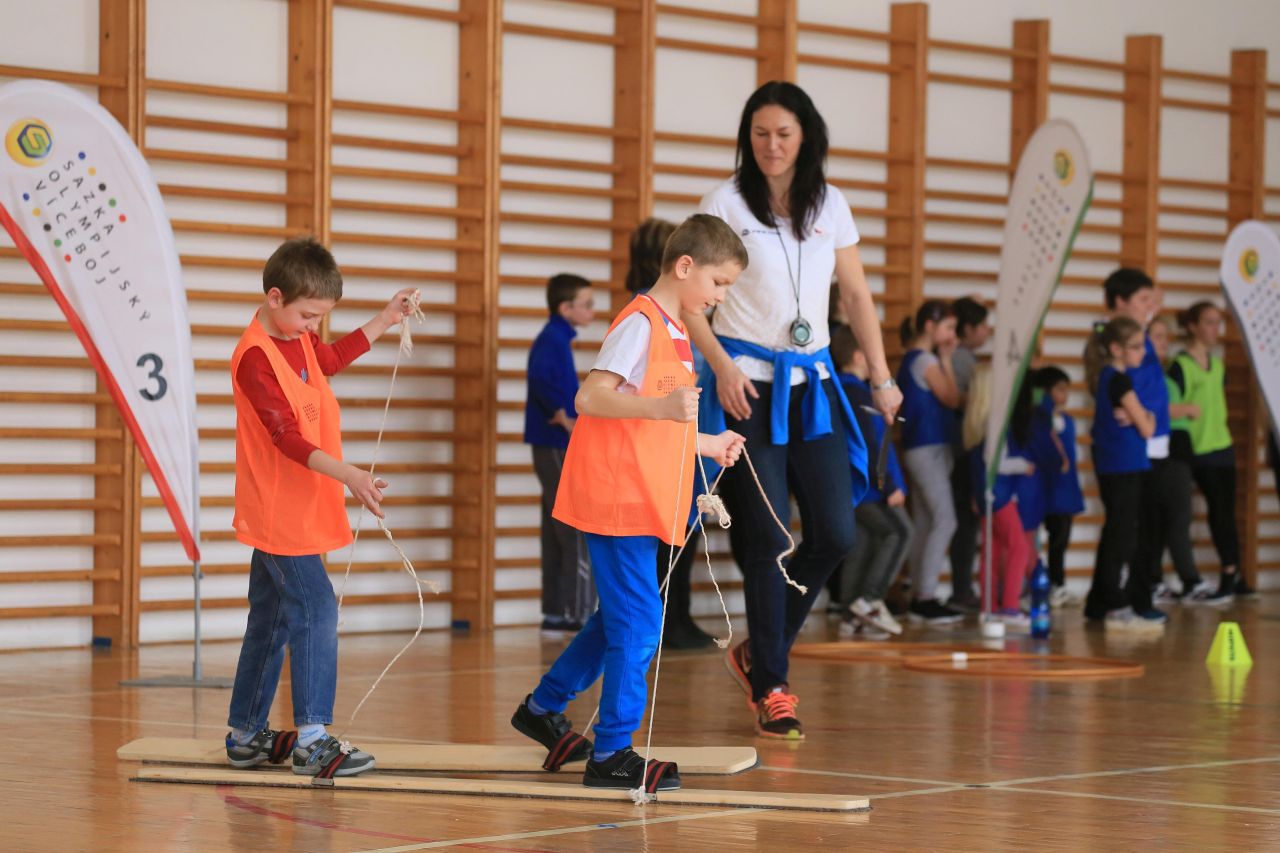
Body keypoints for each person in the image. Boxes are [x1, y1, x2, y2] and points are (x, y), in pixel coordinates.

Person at [690, 81, 899, 740]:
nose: (771, 145)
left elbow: (857, 296)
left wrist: (883, 377)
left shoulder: (831, 203)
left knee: (836, 532)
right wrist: (721, 366)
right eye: (760, 134)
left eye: (783, 133)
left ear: (806, 136)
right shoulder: (725, 202)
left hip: (815, 386)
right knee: (767, 538)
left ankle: (760, 648)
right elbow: (689, 302)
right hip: (745, 388)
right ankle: (772, 686)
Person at [510, 214, 747, 791]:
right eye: (718, 283)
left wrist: (707, 443)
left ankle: (542, 709)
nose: (721, 296)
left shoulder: (674, 330)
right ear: (685, 266)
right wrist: (662, 410)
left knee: (616, 618)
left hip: (643, 499)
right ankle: (611, 753)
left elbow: (655, 424)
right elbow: (590, 397)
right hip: (616, 498)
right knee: (640, 624)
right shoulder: (640, 323)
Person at [225, 237, 417, 777]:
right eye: (308, 316)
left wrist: (386, 317)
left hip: (302, 506)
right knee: (316, 610)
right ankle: (311, 740)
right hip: (278, 511)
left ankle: (245, 735)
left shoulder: (299, 337)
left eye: (320, 318)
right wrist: (350, 474)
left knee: (270, 621)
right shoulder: (255, 358)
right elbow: (285, 436)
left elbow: (329, 359)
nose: (313, 328)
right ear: (275, 297)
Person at [625, 217, 718, 649]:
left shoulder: (672, 311)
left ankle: (675, 616)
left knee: (683, 525)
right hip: (663, 436)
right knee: (671, 530)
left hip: (682, 429)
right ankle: (668, 619)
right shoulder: (649, 313)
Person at [1087, 268, 1172, 626]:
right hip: (1129, 451)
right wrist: (1140, 413)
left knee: (1132, 528)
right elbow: (1116, 393)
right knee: (1130, 531)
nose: (1150, 306)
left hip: (1146, 445)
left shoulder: (1140, 338)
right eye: (1142, 299)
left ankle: (1104, 600)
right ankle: (1127, 599)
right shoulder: (1111, 352)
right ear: (1120, 302)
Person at [525, 273, 598, 634]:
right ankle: (575, 613)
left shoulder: (556, 337)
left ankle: (555, 613)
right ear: (565, 308)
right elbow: (539, 377)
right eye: (587, 304)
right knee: (575, 528)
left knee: (556, 529)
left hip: (551, 444)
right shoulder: (553, 339)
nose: (592, 311)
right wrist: (559, 413)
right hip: (555, 443)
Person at [828, 324, 910, 640]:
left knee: (861, 542)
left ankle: (852, 614)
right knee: (900, 531)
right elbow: (869, 445)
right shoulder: (857, 393)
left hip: (852, 487)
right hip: (867, 488)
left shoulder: (844, 390)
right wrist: (887, 485)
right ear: (859, 356)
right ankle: (871, 600)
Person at [897, 300, 965, 625]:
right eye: (948, 327)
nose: (952, 335)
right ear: (930, 326)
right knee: (945, 519)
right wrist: (948, 360)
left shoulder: (913, 358)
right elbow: (952, 398)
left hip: (920, 447)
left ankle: (918, 593)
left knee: (925, 521)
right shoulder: (925, 359)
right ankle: (925, 596)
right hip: (927, 448)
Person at [1171, 302, 1242, 603]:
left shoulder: (1218, 365)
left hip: (1223, 445)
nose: (1216, 329)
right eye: (1209, 322)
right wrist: (1186, 410)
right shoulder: (1180, 366)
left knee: (1227, 513)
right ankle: (1227, 574)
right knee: (1216, 514)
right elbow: (1169, 406)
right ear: (1193, 326)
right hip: (1199, 450)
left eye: (1218, 322)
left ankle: (1233, 573)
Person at [1145, 316, 1215, 605]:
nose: (1165, 342)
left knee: (1165, 518)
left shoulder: (1162, 371)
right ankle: (1190, 580)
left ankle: (1155, 579)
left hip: (1178, 448)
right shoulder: (1146, 373)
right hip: (1166, 449)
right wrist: (1184, 408)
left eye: (1166, 336)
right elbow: (1153, 408)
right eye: (1158, 336)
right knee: (1177, 516)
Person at [962, 366, 1034, 629]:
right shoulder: (996, 423)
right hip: (1000, 496)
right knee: (1019, 548)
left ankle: (989, 606)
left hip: (985, 499)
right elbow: (997, 464)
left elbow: (978, 465)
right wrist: (1024, 465)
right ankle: (1010, 606)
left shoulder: (974, 423)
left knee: (990, 552)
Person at [947, 297, 992, 612]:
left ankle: (964, 588)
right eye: (983, 324)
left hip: (963, 447)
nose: (988, 330)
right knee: (966, 523)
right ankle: (962, 590)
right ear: (969, 328)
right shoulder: (961, 359)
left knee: (966, 523)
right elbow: (962, 401)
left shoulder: (964, 358)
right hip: (963, 449)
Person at [1032, 366, 1084, 607]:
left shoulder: (1067, 420)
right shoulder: (1040, 419)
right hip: (1047, 489)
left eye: (1067, 389)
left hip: (1064, 489)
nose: (1065, 395)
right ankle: (1040, 583)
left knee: (1061, 540)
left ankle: (1057, 583)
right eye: (1059, 389)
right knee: (1040, 540)